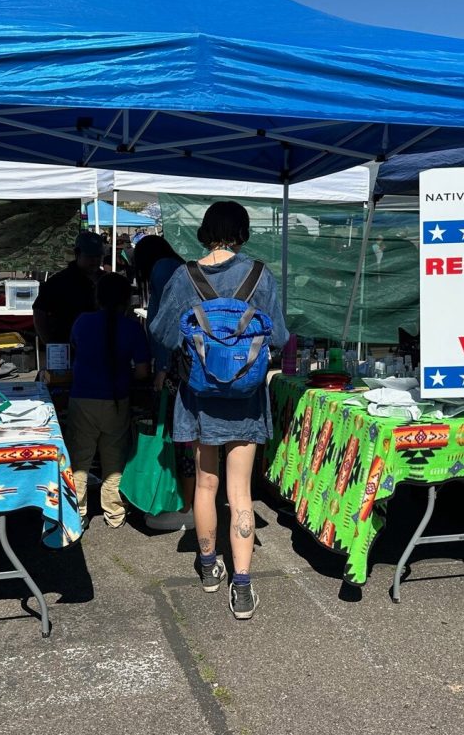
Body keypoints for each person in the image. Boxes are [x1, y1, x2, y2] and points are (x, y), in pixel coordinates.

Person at [150, 201, 288, 621]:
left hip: (198, 398)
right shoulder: (260, 275)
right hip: (245, 399)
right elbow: (279, 335)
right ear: (243, 231)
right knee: (240, 492)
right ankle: (242, 586)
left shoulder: (183, 275)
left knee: (206, 487)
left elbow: (161, 332)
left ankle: (210, 567)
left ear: (205, 230)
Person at [66, 273, 150, 529]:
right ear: (127, 300)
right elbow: (143, 372)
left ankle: (77, 513)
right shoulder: (132, 328)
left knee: (80, 459)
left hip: (82, 399)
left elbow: (75, 351)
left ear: (97, 297)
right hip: (116, 400)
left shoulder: (82, 322)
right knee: (114, 460)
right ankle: (114, 514)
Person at [133, 235, 193, 531]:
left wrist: (163, 367)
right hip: (182, 366)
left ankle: (184, 505)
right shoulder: (176, 265)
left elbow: (170, 321)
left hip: (175, 369)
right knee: (182, 438)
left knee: (177, 437)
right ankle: (185, 503)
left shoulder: (163, 269)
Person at [32, 231, 102, 346]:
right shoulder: (59, 282)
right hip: (67, 349)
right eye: (89, 256)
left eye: (98, 256)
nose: (94, 260)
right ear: (77, 254)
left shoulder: (106, 280)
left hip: (101, 350)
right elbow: (39, 311)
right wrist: (50, 344)